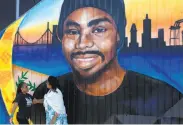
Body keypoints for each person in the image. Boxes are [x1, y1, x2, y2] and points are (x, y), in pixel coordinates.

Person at [35, 0, 183, 123]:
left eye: (99, 29)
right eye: (73, 32)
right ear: (61, 37)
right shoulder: (45, 94)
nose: (82, 43)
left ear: (118, 34)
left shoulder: (166, 100)